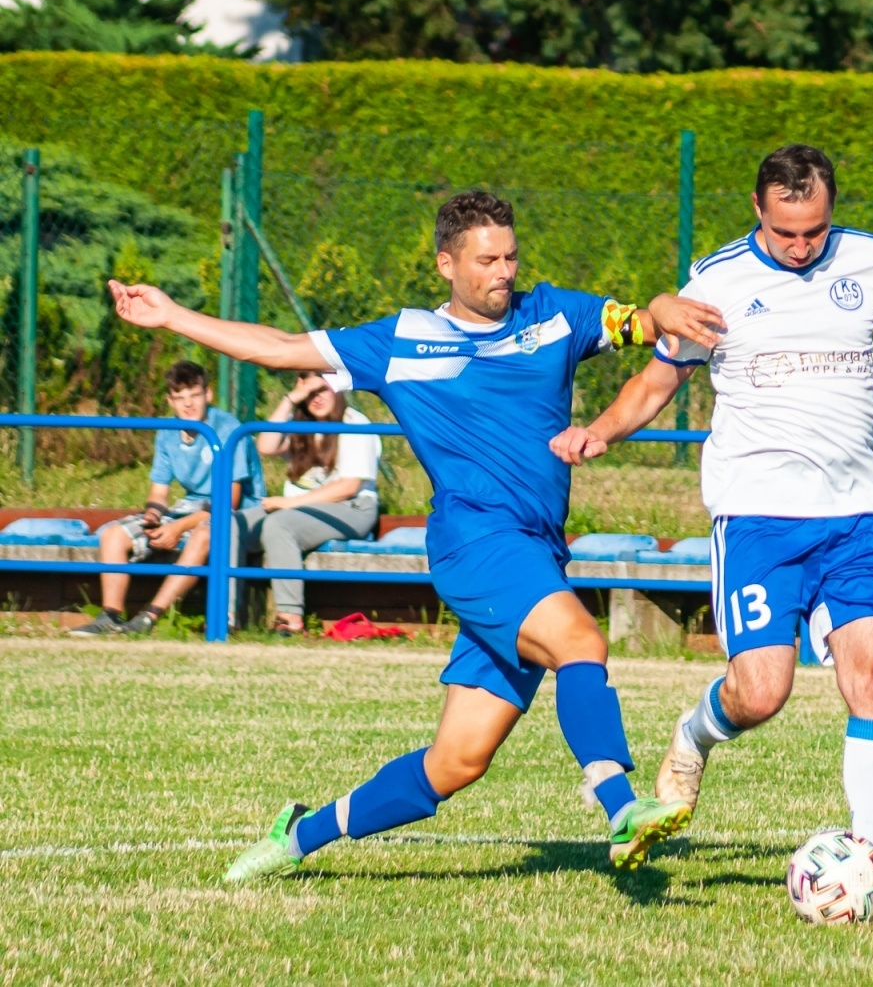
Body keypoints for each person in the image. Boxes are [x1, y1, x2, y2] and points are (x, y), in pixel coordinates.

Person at [107, 190, 725, 879]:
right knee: (581, 641)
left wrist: (666, 307)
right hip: (476, 542)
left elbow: (643, 323)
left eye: (511, 255)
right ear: (445, 264)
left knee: (455, 763)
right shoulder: (401, 341)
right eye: (486, 259)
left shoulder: (555, 314)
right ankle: (619, 805)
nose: (504, 271)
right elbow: (280, 349)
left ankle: (298, 837)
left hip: (536, 551)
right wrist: (172, 317)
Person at [550, 144, 873, 921]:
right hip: (758, 517)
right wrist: (600, 431)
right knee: (762, 693)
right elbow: (657, 381)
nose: (802, 247)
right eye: (787, 232)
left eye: (815, 231)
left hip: (858, 515)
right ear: (759, 211)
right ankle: (694, 738)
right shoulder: (718, 281)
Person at [73, 361, 263, 637]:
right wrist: (153, 519)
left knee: (204, 535)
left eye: (194, 395)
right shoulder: (168, 432)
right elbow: (159, 492)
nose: (188, 405)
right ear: (170, 401)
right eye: (179, 398)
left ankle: (149, 617)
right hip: (190, 506)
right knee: (113, 534)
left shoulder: (227, 429)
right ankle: (110, 616)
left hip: (238, 512)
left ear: (208, 395)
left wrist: (177, 527)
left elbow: (228, 503)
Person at [236, 371, 384, 634]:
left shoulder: (355, 423)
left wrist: (288, 504)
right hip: (299, 509)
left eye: (323, 389)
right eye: (310, 392)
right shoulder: (299, 424)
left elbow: (348, 487)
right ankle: (229, 617)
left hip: (351, 508)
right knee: (233, 524)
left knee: (279, 525)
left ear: (338, 389)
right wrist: (292, 398)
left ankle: (290, 620)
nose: (316, 398)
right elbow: (266, 446)